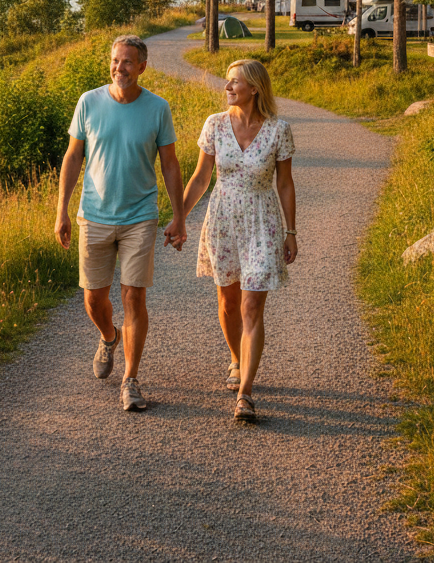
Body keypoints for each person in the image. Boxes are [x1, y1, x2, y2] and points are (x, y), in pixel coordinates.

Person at [55, 34, 187, 411]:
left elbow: (170, 164)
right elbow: (73, 157)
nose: (120, 68)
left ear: (142, 67)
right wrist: (61, 210)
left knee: (133, 295)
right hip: (93, 215)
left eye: (128, 62)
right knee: (94, 298)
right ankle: (108, 335)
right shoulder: (89, 102)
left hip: (139, 217)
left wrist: (178, 216)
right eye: (115, 61)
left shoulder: (157, 108)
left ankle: (130, 380)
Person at [182, 58, 297, 422]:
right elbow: (201, 179)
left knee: (251, 308)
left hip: (263, 221)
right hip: (223, 220)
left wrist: (291, 231)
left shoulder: (279, 130)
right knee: (229, 301)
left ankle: (246, 392)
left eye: (235, 82)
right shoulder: (214, 125)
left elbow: (284, 183)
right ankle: (236, 357)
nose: (228, 87)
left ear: (255, 89)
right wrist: (178, 218)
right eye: (228, 82)